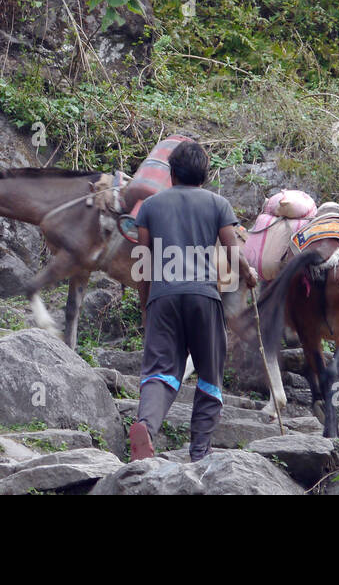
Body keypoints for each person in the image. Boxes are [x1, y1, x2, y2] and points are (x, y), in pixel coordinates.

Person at [129, 139, 257, 463]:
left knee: (160, 371)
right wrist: (248, 275)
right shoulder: (217, 203)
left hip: (163, 298)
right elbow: (232, 251)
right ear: (204, 174)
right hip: (203, 296)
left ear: (171, 174)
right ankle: (200, 450)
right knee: (210, 372)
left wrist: (148, 306)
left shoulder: (149, 207)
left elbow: (142, 264)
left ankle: (145, 424)